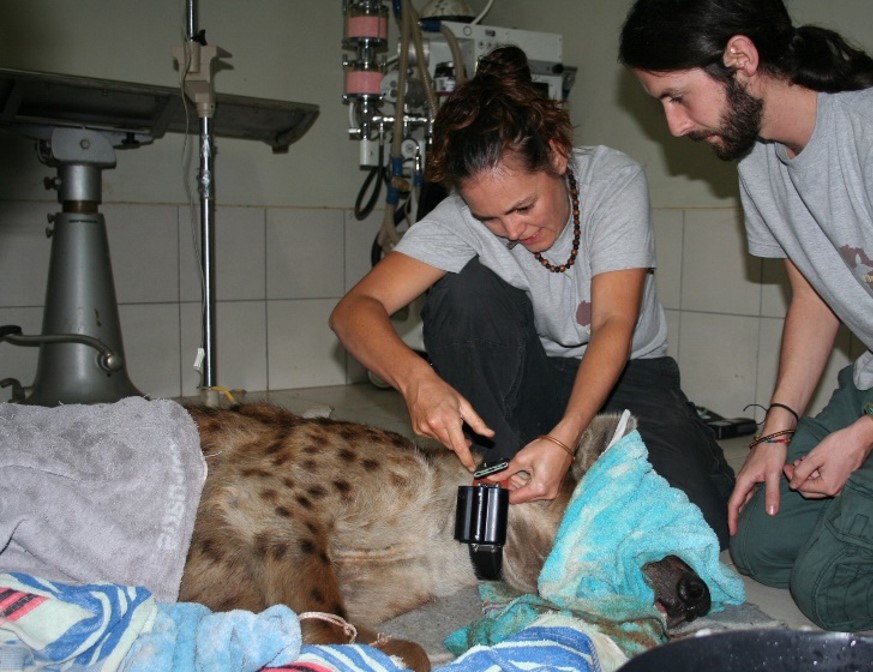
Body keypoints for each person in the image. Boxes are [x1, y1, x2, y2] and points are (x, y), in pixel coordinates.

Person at [330, 45, 735, 548]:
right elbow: (353, 311)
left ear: (557, 154)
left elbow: (613, 323)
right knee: (464, 290)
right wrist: (416, 379)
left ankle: (575, 467)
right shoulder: (462, 219)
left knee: (696, 533)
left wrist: (565, 439)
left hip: (627, 376)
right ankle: (501, 469)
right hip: (528, 379)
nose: (511, 230)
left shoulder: (613, 180)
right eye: (489, 218)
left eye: (523, 206)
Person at [619, 0, 873, 631]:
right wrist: (775, 434)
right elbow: (816, 296)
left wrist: (864, 436)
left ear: (740, 58)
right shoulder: (759, 160)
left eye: (678, 97)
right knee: (759, 544)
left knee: (831, 591)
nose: (674, 126)